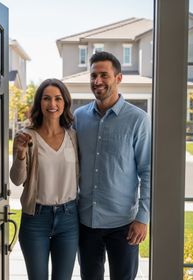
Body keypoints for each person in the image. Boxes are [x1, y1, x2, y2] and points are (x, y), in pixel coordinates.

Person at [74, 51, 151, 280]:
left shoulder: (138, 119)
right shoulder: (78, 117)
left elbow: (147, 171)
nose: (97, 81)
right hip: (87, 221)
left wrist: (143, 218)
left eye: (104, 75)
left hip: (124, 224)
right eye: (93, 75)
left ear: (118, 78)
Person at [10, 78, 79, 280]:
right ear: (40, 102)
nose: (52, 104)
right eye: (47, 98)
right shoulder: (26, 137)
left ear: (64, 102)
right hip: (35, 218)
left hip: (68, 218)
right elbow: (16, 179)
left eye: (58, 98)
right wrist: (21, 154)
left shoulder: (73, 136)